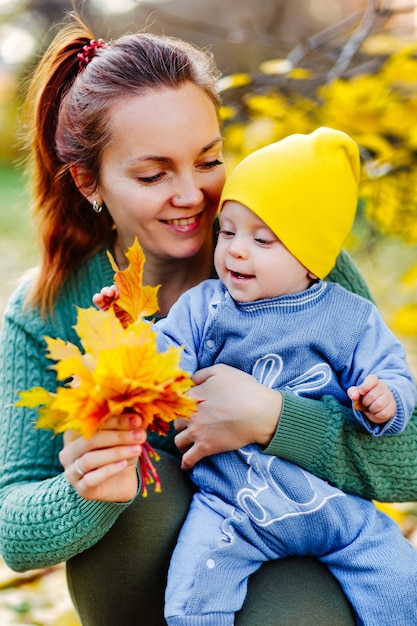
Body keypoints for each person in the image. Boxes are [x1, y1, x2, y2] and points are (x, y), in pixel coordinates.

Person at [0, 12, 417, 626]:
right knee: (141, 502)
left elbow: (408, 459)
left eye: (208, 160)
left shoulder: (294, 261)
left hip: (306, 548)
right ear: (90, 182)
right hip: (156, 564)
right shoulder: (50, 309)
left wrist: (273, 419)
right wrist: (84, 489)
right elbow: (15, 529)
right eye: (153, 173)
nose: (193, 194)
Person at [95, 128, 417, 626]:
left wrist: (386, 401)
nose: (236, 251)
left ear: (311, 261)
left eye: (262, 239)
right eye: (227, 232)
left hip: (335, 510)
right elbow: (166, 357)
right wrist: (128, 334)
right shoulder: (206, 306)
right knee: (194, 591)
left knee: (400, 582)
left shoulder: (348, 316)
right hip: (232, 508)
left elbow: (388, 370)